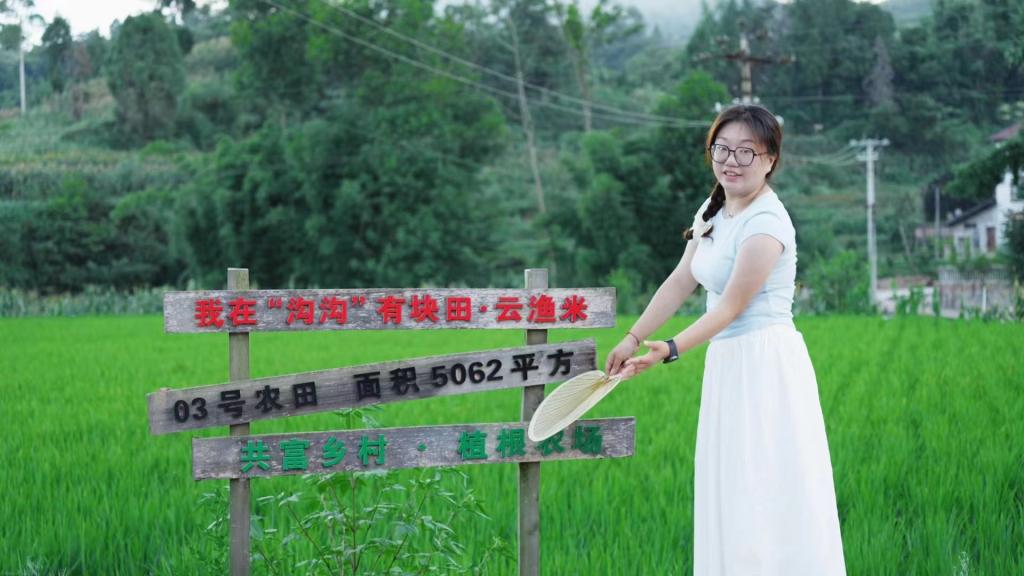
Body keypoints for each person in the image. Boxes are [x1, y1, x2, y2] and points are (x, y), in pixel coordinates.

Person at [606, 104, 846, 575]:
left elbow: (731, 306)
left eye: (746, 152)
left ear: (770, 159)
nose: (731, 161)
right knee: (732, 486)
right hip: (729, 361)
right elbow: (682, 279)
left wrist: (670, 349)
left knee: (763, 489)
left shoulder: (767, 223)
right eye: (722, 149)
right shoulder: (713, 207)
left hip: (764, 365)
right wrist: (633, 336)